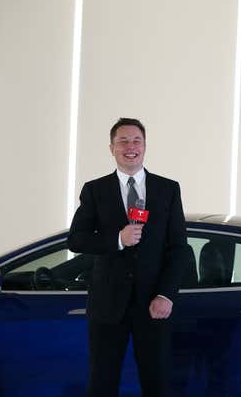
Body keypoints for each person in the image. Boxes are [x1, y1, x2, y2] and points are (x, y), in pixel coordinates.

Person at [68, 117, 188, 397]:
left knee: (156, 382)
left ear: (145, 147)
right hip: (108, 306)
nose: (130, 146)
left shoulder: (167, 189)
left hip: (154, 304)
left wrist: (166, 295)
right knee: (102, 383)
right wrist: (116, 240)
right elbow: (76, 239)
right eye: (123, 141)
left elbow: (179, 248)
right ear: (112, 147)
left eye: (136, 140)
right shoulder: (95, 190)